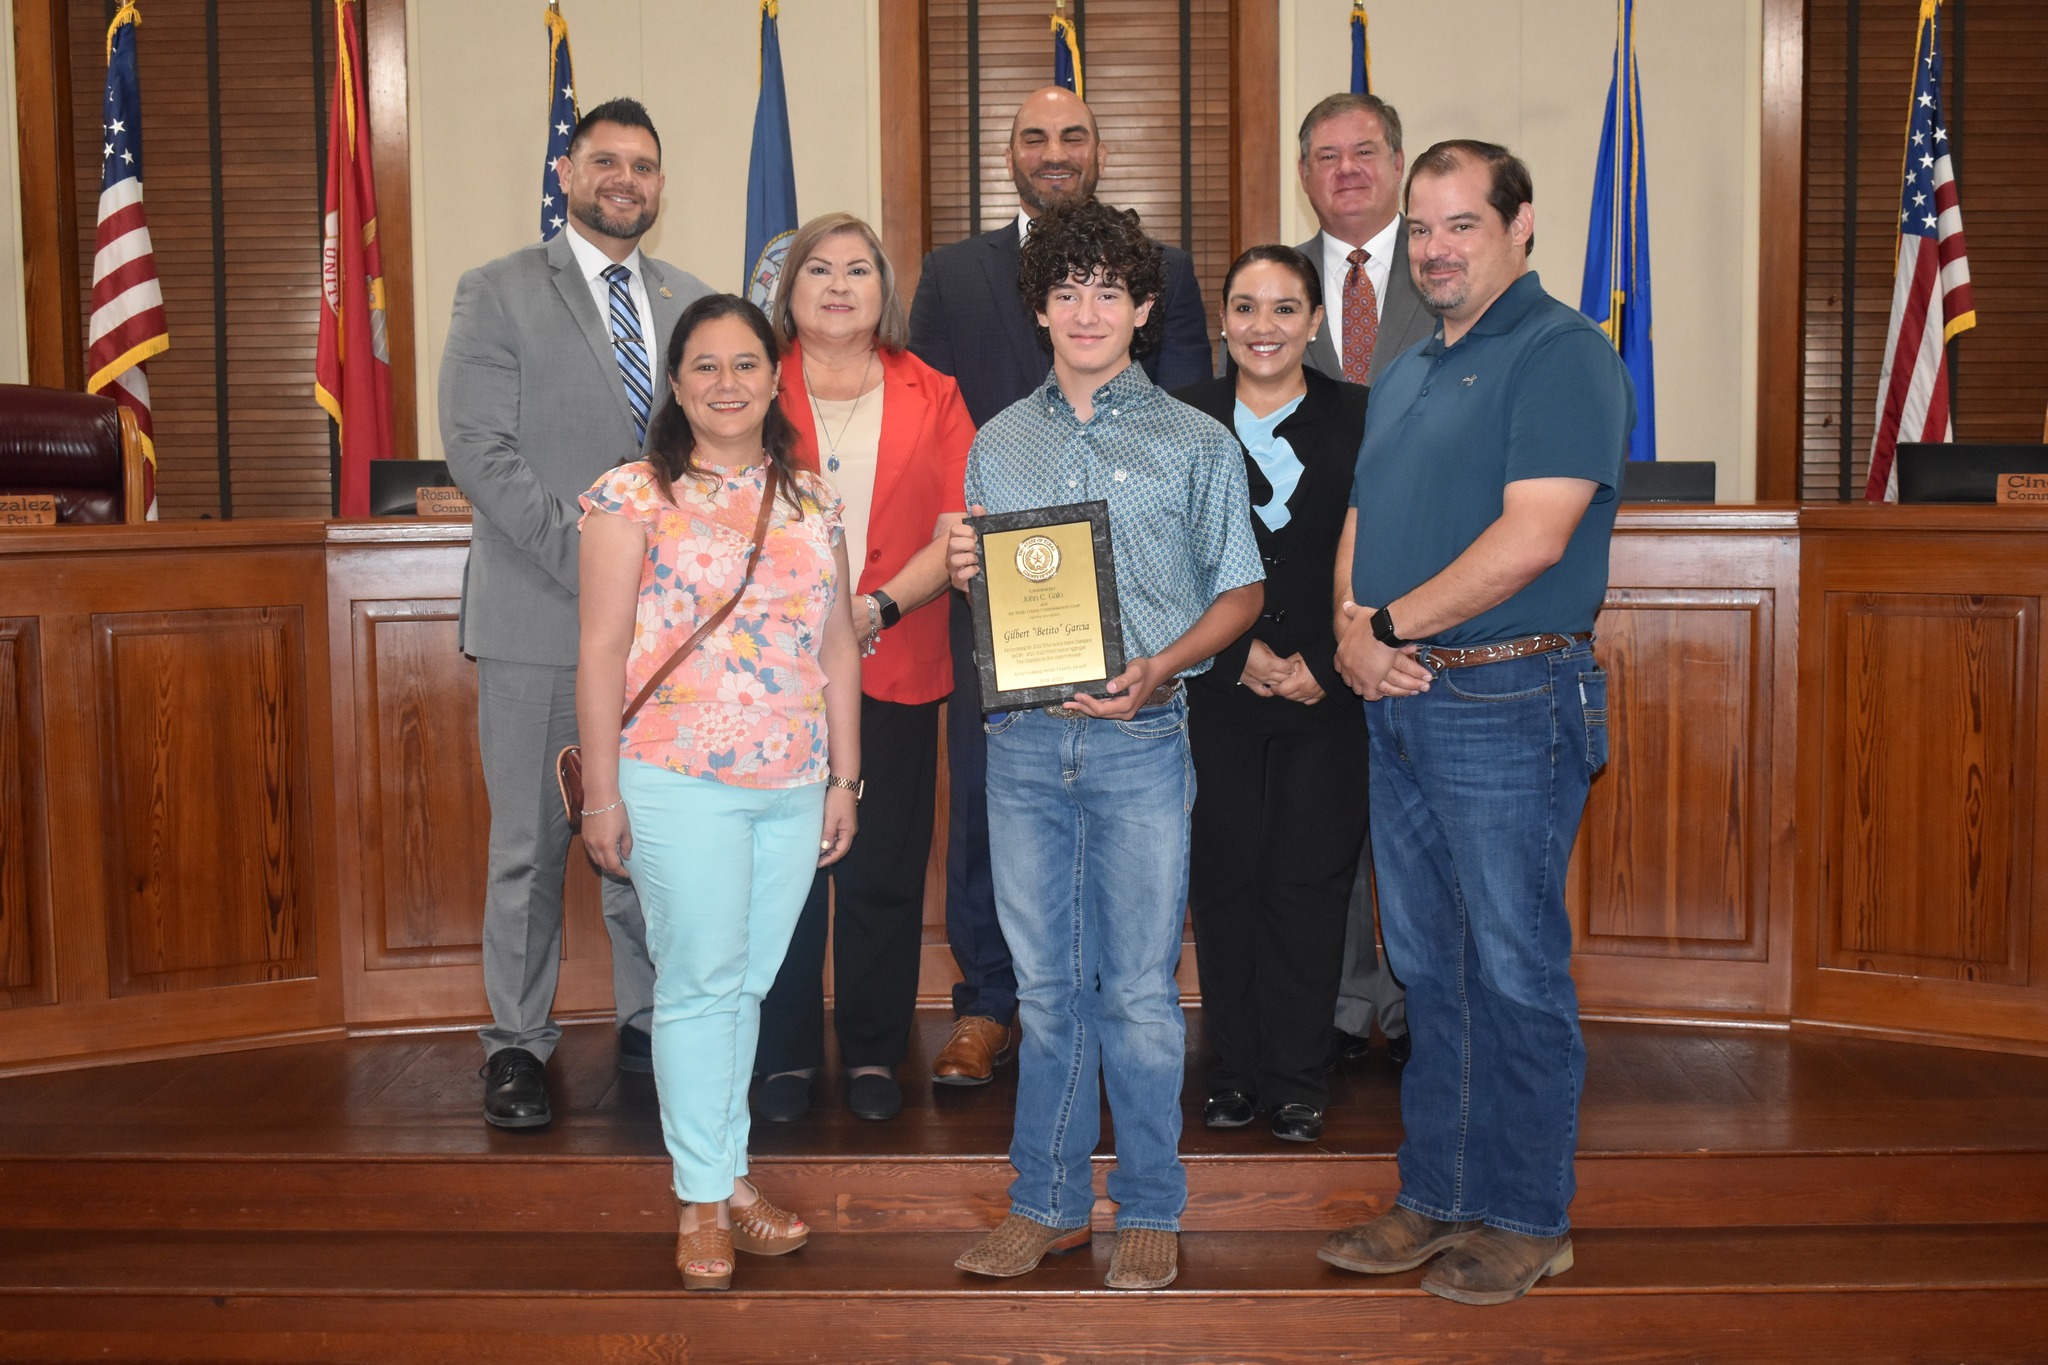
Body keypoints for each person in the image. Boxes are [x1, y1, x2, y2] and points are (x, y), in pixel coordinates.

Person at [1317, 141, 1629, 1306]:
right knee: (1427, 969)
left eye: (1463, 225)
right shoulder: (1403, 369)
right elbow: (1359, 514)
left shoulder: (1560, 355)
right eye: (1425, 228)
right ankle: (1439, 1194)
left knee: (1511, 968)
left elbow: (1532, 539)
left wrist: (1384, 626)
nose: (1439, 249)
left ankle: (1526, 1214)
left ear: (1520, 226)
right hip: (1398, 698)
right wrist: (1353, 631)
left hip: (1506, 695)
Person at [946, 201, 1264, 1292]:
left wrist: (1160, 665)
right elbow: (994, 591)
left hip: (1141, 745)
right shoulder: (997, 440)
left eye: (1106, 292)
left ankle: (1149, 1207)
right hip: (1024, 749)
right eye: (1064, 290)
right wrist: (963, 570)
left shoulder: (1194, 441)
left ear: (1140, 309)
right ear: (1038, 308)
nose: (1085, 310)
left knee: (1132, 988)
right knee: (1041, 992)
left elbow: (1242, 589)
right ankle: (1044, 1202)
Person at [907, 85, 1213, 1091]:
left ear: (1099, 148)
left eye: (1071, 134)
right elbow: (931, 426)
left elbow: (1178, 408)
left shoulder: (1160, 270)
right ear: (1007, 154)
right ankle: (988, 1003)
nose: (1052, 151)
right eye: (1031, 135)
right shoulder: (953, 275)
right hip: (1002, 586)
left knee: (1125, 817)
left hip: (1135, 590)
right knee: (987, 794)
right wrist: (975, 538)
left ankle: (1104, 1010)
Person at [574, 293, 863, 1291]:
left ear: (774, 377)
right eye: (704, 366)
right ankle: (701, 1200)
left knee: (741, 983)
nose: (727, 383)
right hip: (674, 776)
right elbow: (601, 649)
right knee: (699, 985)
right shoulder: (629, 496)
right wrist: (601, 795)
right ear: (675, 382)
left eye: (745, 364)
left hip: (790, 780)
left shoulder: (811, 499)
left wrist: (843, 777)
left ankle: (726, 1174)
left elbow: (835, 646)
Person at [440, 97, 711, 1130]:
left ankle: (647, 1021)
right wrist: (598, 569)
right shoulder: (497, 291)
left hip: (665, 638)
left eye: (643, 165)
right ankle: (516, 1043)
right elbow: (480, 453)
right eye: (607, 161)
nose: (626, 180)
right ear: (567, 172)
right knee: (529, 846)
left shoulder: (689, 301)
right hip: (536, 619)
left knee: (646, 835)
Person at [753, 213, 974, 1124]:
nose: (839, 285)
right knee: (784, 871)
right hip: (773, 673)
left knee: (883, 867)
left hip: (898, 653)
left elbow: (961, 525)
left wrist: (876, 606)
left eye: (859, 270)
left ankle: (879, 1051)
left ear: (886, 292)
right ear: (788, 291)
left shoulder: (936, 390)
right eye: (819, 270)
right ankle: (785, 1055)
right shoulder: (751, 384)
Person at [1174, 246, 1371, 1146]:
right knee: (1225, 882)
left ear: (1316, 322)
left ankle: (1297, 1076)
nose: (1264, 326)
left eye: (1285, 308)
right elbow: (1159, 560)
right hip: (1216, 689)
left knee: (1307, 883)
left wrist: (1322, 662)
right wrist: (1235, 655)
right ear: (1222, 320)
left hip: (1325, 696)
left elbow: (1382, 548)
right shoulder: (1184, 419)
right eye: (1246, 307)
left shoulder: (1363, 418)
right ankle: (1235, 1071)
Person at [1294, 91, 1437, 1067]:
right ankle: (1345, 1004)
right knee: (1324, 804)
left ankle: (1424, 1001)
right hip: (1303, 577)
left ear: (1395, 164)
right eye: (1323, 156)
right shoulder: (1272, 284)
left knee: (1422, 813)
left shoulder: (1447, 275)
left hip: (1431, 580)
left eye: (1362, 152)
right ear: (1303, 173)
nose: (1343, 169)